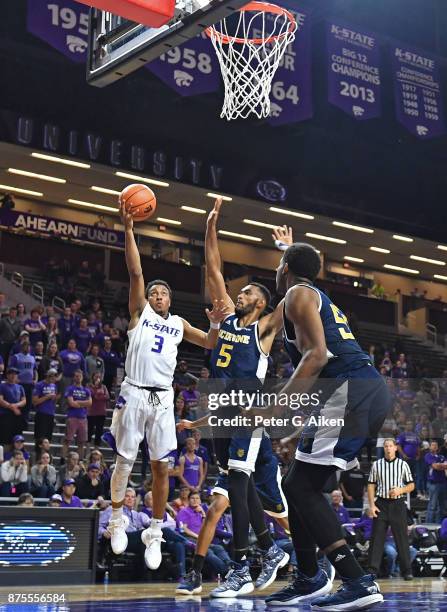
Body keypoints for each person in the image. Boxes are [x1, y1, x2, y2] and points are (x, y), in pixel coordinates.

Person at [257, 239, 390, 609]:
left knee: (301, 487)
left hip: (350, 389)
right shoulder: (308, 296)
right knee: (297, 482)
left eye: (280, 263)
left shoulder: (299, 293)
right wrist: (297, 431)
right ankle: (309, 576)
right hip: (356, 390)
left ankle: (355, 580)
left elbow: (317, 356)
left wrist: (276, 406)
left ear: (285, 268)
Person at [103, 198, 228, 572]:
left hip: (162, 400)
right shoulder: (139, 314)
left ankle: (155, 531)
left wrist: (217, 323)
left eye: (164, 294)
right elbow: (136, 273)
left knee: (160, 468)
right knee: (124, 462)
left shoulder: (178, 324)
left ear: (171, 301)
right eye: (155, 293)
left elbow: (209, 342)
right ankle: (116, 519)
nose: (158, 296)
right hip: (134, 392)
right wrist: (128, 229)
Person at [177, 203, 288, 598]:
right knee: (237, 485)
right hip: (220, 409)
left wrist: (285, 255)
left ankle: (243, 564)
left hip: (246, 407)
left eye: (247, 293)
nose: (238, 295)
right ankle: (269, 548)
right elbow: (213, 270)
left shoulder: (265, 327)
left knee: (239, 482)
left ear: (260, 302)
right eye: (238, 292)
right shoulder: (224, 320)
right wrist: (210, 227)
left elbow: (294, 297)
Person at [367, 439, 415, 581]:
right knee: (376, 538)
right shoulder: (377, 464)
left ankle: (407, 571)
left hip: (398, 504)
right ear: (384, 448)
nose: (388, 448)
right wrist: (372, 505)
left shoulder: (403, 464)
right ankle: (372, 570)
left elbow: (411, 485)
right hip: (381, 503)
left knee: (402, 538)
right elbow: (370, 485)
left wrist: (400, 489)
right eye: (386, 446)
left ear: (395, 448)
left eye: (390, 446)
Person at [98, 488, 152, 578]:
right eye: (127, 496)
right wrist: (104, 532)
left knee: (150, 536)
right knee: (143, 534)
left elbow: (139, 527)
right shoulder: (113, 509)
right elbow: (99, 525)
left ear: (135, 500)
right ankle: (146, 572)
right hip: (121, 538)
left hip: (134, 540)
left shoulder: (136, 514)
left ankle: (145, 574)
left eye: (133, 497)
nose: (130, 499)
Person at [177, 491, 232, 576]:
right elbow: (184, 529)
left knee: (218, 548)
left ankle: (230, 566)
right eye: (192, 498)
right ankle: (226, 572)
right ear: (188, 500)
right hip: (189, 539)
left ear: (200, 501)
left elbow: (207, 526)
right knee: (208, 552)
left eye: (197, 498)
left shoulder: (201, 512)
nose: (195, 500)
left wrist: (203, 513)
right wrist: (199, 537)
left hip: (200, 539)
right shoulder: (184, 511)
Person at [62, 369, 92, 460]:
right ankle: (63, 459)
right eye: (76, 376)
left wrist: (78, 402)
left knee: (82, 442)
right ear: (74, 377)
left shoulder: (87, 390)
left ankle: (80, 460)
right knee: (68, 440)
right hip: (72, 417)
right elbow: (71, 403)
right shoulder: (70, 388)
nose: (78, 378)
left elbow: (90, 403)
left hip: (83, 418)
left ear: (82, 377)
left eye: (79, 376)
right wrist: (83, 403)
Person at [8, 341, 37, 425]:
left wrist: (35, 379)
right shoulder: (16, 357)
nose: (27, 348)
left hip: (30, 384)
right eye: (26, 346)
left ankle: (25, 421)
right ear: (22, 347)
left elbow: (35, 370)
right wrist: (15, 379)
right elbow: (10, 369)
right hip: (19, 384)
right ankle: (17, 420)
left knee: (28, 404)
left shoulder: (32, 357)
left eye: (29, 346)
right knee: (19, 402)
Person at [0, 368, 26, 446]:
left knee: (16, 438)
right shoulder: (2, 385)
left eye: (15, 374)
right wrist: (12, 407)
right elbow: (0, 400)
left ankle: (16, 455)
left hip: (16, 416)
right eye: (11, 373)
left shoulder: (20, 387)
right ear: (7, 375)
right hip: (5, 415)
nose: (13, 375)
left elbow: (24, 401)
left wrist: (15, 405)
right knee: (4, 438)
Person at [32, 369, 59, 442]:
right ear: (48, 376)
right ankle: (38, 453)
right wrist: (47, 397)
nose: (54, 379)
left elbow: (54, 401)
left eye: (55, 377)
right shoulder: (39, 385)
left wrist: (55, 399)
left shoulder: (54, 386)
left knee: (48, 438)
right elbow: (35, 402)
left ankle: (46, 453)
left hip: (50, 414)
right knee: (40, 438)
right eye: (53, 377)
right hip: (41, 413)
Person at [424, 440, 447, 523]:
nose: (434, 446)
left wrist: (440, 465)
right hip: (433, 484)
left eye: (435, 445)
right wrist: (442, 466)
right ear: (430, 447)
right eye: (432, 445)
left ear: (437, 447)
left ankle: (440, 524)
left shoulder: (441, 456)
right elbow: (435, 466)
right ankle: (429, 524)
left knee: (442, 506)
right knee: (432, 506)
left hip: (443, 483)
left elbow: (445, 466)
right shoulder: (428, 456)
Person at [87, 372, 109, 448]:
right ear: (93, 377)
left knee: (99, 432)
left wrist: (99, 396)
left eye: (99, 377)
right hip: (91, 412)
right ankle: (88, 451)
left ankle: (96, 450)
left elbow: (107, 397)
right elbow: (92, 395)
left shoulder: (104, 387)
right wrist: (96, 389)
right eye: (96, 376)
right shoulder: (89, 386)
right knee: (89, 432)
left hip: (101, 412)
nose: (98, 378)